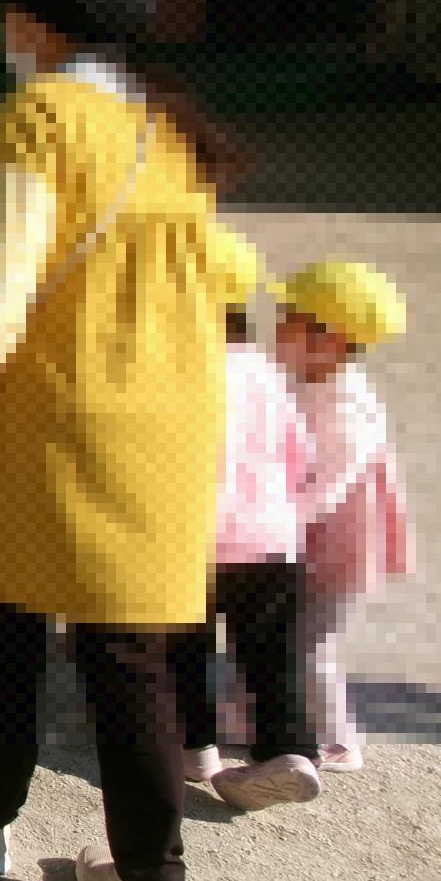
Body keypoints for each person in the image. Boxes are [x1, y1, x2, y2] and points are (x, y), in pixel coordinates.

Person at [0, 0, 251, 881]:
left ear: (36, 23)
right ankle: (152, 878)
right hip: (167, 414)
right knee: (130, 653)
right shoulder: (169, 125)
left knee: (8, 625)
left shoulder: (40, 114)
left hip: (53, 409)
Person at [169, 226, 322, 812]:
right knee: (274, 655)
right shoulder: (265, 369)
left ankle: (194, 747)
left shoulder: (174, 367)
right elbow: (300, 455)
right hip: (271, 539)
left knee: (185, 647)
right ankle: (290, 751)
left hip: (192, 539)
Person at [272, 260, 415, 775]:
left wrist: (270, 527)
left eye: (290, 318)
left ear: (328, 340)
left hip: (336, 543)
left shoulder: (347, 407)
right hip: (307, 533)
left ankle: (336, 740)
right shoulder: (311, 380)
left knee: (313, 643)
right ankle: (257, 716)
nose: (278, 325)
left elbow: (325, 491)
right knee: (280, 629)